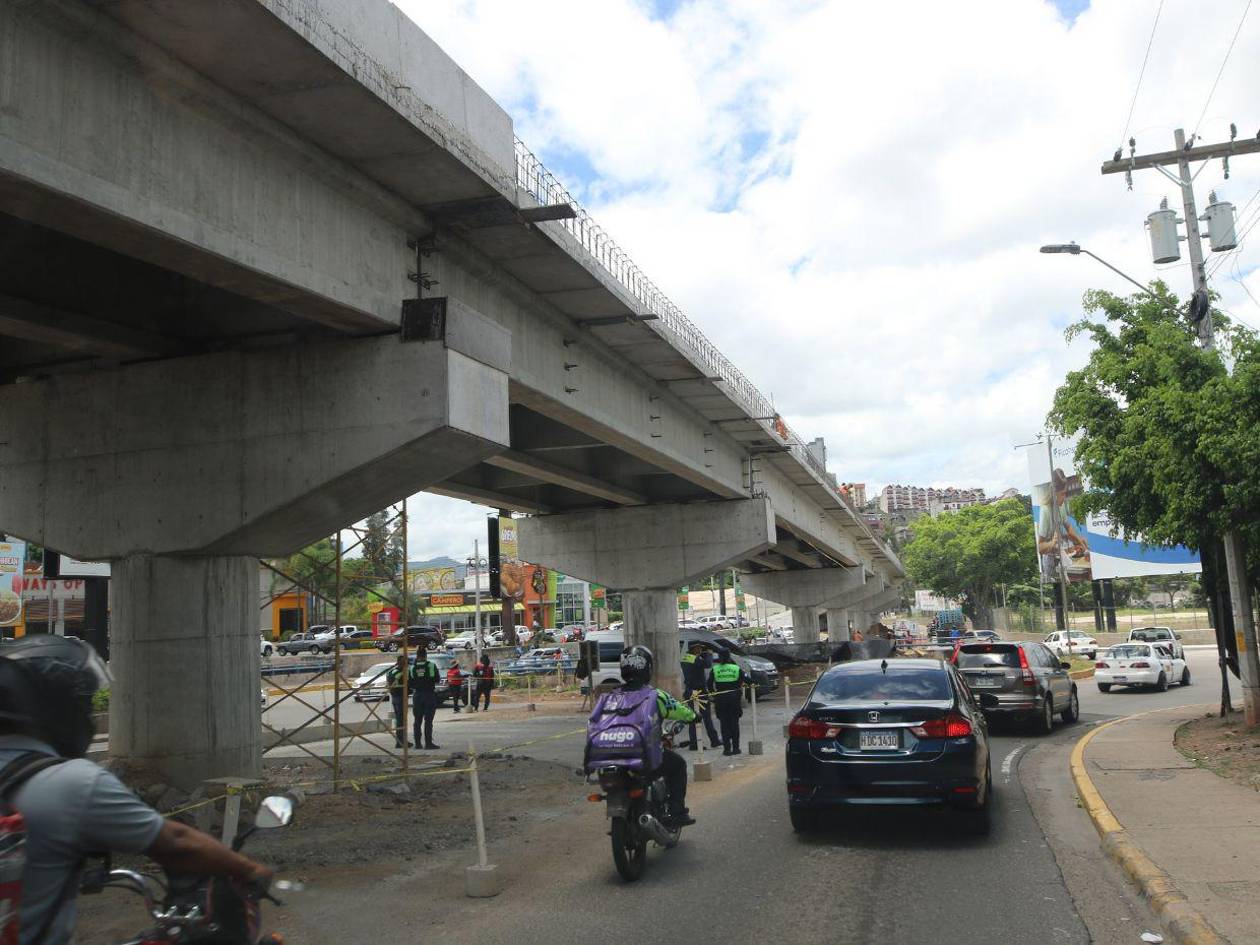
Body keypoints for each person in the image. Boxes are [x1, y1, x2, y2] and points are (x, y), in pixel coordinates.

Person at [0, 636, 272, 945]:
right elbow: (177, 842)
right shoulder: (71, 784)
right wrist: (250, 869)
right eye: (84, 703)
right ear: (57, 706)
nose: (87, 714)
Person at [594, 645, 697, 828]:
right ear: (647, 668)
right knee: (678, 765)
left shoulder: (610, 697)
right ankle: (677, 812)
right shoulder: (654, 695)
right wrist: (693, 716)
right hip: (644, 758)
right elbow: (680, 711)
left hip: (611, 758)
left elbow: (595, 722)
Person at [680, 643, 720, 752]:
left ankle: (694, 743)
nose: (700, 650)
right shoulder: (695, 659)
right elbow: (707, 665)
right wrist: (709, 655)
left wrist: (701, 656)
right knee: (706, 717)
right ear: (694, 649)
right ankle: (714, 740)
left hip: (689, 690)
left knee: (693, 717)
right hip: (699, 691)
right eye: (699, 648)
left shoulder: (685, 658)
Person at [711, 645, 746, 756]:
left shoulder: (715, 669)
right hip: (734, 699)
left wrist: (714, 695)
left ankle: (727, 749)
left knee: (724, 725)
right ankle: (736, 748)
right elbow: (747, 680)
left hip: (720, 700)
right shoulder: (736, 668)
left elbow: (709, 684)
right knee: (734, 724)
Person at [410, 648, 440, 749]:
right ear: (426, 655)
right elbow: (437, 679)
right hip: (429, 694)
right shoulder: (431, 665)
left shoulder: (412, 668)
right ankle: (428, 743)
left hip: (417, 695)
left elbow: (409, 682)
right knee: (428, 720)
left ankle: (417, 744)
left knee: (417, 720)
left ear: (417, 655)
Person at [385, 654, 411, 747]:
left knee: (399, 720)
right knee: (401, 720)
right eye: (406, 662)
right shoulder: (401, 672)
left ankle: (400, 741)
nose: (408, 664)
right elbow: (407, 682)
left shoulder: (392, 671)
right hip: (400, 697)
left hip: (395, 697)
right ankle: (401, 742)